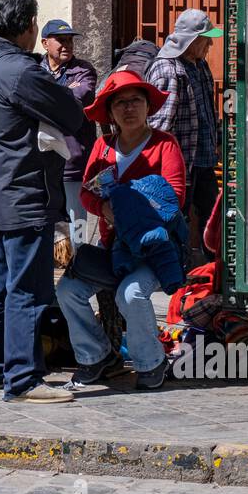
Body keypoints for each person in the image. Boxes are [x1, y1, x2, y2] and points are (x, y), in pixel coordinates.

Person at [0, 0, 86, 403]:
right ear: (28, 26)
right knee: (28, 289)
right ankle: (24, 378)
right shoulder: (18, 71)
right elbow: (70, 113)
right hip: (25, 192)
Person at [57, 71, 186, 391]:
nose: (129, 109)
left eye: (136, 101)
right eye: (121, 103)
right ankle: (95, 354)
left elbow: (175, 195)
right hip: (110, 246)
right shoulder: (102, 147)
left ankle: (150, 361)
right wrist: (104, 210)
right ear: (111, 113)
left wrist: (130, 208)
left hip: (153, 249)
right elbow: (87, 192)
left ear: (147, 106)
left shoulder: (164, 145)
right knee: (67, 291)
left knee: (131, 293)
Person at [147, 10, 222, 237]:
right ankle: (179, 267)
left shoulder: (200, 66)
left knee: (212, 218)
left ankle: (212, 267)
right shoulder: (168, 70)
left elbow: (209, 108)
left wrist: (216, 140)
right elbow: (159, 125)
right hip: (180, 162)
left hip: (203, 159)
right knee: (177, 218)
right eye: (206, 38)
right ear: (192, 40)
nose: (210, 43)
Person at [40, 19, 98, 245]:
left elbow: (75, 101)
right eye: (61, 40)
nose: (67, 45)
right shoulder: (34, 68)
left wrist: (43, 97)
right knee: (44, 218)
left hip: (73, 159)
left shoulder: (83, 70)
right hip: (42, 160)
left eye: (70, 40)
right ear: (45, 43)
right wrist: (62, 92)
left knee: (78, 221)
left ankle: (80, 262)